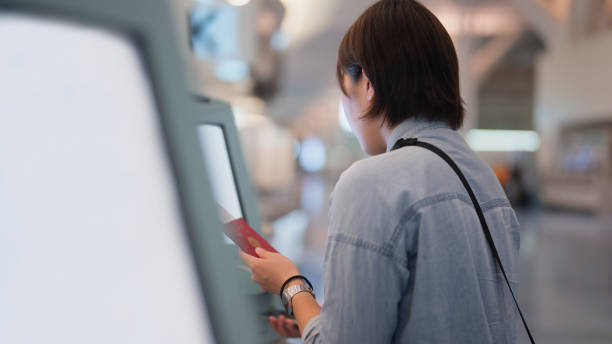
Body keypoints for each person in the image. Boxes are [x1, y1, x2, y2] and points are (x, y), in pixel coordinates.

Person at [240, 0, 521, 342]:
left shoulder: (371, 183)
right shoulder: (484, 179)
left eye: (347, 94)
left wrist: (290, 286)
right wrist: (319, 318)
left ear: (369, 86)